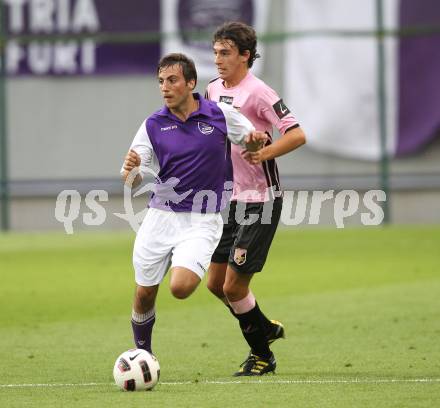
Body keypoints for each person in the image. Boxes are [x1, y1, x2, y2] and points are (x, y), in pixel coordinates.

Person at [121, 53, 267, 356]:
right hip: (161, 216)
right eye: (161, 81)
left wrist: (254, 142)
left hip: (203, 218)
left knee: (181, 288)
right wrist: (131, 170)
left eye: (172, 80)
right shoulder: (153, 125)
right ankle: (143, 355)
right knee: (144, 293)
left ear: (190, 82)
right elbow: (132, 177)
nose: (165, 87)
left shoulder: (220, 114)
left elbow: (251, 140)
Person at [205, 22, 307, 376]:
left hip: (261, 198)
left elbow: (296, 135)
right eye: (216, 52)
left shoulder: (260, 92)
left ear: (245, 56)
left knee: (234, 286)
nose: (218, 60)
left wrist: (264, 153)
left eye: (226, 53)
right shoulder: (212, 89)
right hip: (233, 197)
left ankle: (263, 356)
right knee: (215, 284)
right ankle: (263, 326)